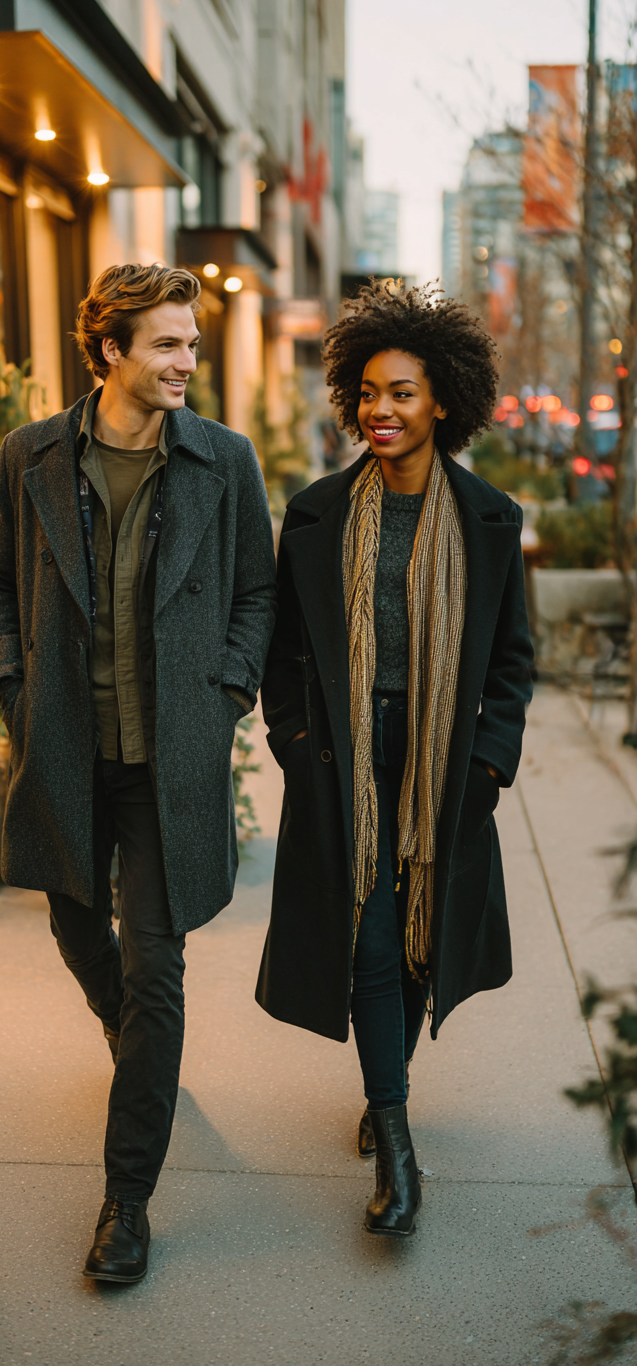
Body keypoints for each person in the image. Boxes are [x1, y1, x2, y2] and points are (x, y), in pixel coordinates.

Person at [0, 263, 276, 1283]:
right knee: (70, 918)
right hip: (63, 744)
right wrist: (12, 684)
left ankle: (125, 1205)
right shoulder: (32, 457)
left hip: (168, 757)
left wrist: (226, 688)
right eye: (168, 345)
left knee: (158, 966)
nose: (188, 361)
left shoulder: (222, 461)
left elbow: (257, 593)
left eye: (192, 343)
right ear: (109, 351)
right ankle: (134, 1042)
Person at [256, 281, 533, 1238]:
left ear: (444, 400)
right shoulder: (317, 515)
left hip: (446, 762)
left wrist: (491, 766)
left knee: (420, 935)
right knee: (371, 934)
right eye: (369, 391)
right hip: (346, 758)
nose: (381, 409)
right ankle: (398, 1145)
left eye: (403, 392)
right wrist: (293, 744)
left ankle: (384, 1088)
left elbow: (512, 662)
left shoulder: (492, 521)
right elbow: (286, 649)